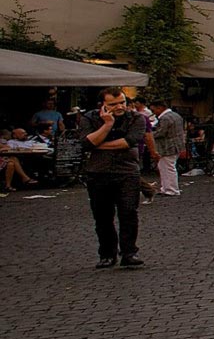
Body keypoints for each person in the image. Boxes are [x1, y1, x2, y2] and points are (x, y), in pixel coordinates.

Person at [79, 87, 147, 268]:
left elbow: (129, 142)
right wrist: (107, 125)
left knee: (129, 212)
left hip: (127, 172)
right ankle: (107, 254)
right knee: (102, 216)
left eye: (122, 102)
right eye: (113, 104)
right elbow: (86, 143)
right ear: (103, 105)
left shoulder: (136, 118)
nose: (119, 107)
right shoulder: (89, 118)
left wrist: (98, 144)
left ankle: (129, 252)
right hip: (98, 172)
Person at [149, 99, 186, 197]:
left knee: (167, 167)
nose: (154, 113)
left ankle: (171, 189)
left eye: (154, 110)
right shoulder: (176, 115)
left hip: (167, 146)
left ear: (159, 108)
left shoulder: (165, 118)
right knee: (165, 167)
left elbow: (161, 132)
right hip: (175, 144)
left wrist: (148, 135)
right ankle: (166, 188)